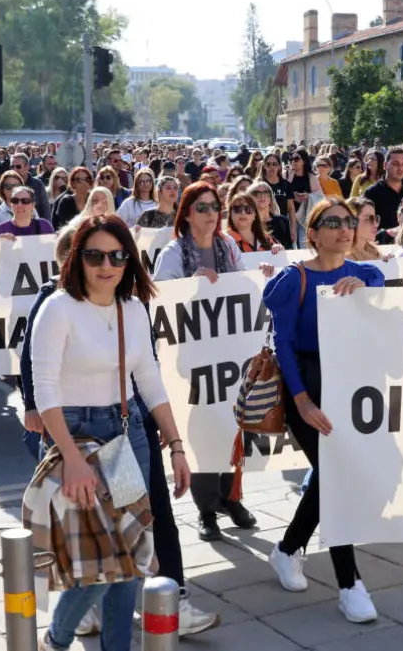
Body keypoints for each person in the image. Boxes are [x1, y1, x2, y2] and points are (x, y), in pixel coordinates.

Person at [31, 214, 194, 651]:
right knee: (104, 561)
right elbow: (44, 390)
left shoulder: (133, 308)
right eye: (95, 255)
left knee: (133, 556)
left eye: (119, 255)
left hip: (126, 436)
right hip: (77, 434)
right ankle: (56, 639)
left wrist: (177, 445)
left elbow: (151, 381)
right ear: (77, 258)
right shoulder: (58, 308)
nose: (107, 264)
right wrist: (69, 458)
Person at [263, 198, 383, 623]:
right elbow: (285, 345)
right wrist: (302, 400)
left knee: (334, 478)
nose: (343, 229)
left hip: (351, 386)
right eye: (331, 222)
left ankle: (287, 549)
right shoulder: (291, 280)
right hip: (308, 387)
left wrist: (364, 293)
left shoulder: (367, 273)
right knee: (336, 480)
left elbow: (384, 315)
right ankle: (350, 584)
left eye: (349, 222)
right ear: (311, 233)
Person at [152, 182, 257, 540]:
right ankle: (206, 509)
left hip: (228, 356)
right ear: (187, 213)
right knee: (199, 430)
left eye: (214, 207)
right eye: (202, 207)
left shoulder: (228, 245)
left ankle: (232, 498)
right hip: (192, 361)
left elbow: (243, 283)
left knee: (230, 427)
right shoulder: (173, 253)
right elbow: (159, 299)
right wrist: (190, 285)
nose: (210, 214)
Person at [364, 148, 403, 234]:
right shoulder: (372, 193)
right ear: (385, 165)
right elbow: (364, 226)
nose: (400, 168)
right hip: (381, 245)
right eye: (396, 164)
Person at [249, 181, 293, 250]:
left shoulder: (283, 221)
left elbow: (290, 249)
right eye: (256, 193)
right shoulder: (247, 223)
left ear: (270, 198)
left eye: (266, 192)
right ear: (250, 198)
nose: (262, 196)